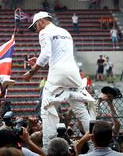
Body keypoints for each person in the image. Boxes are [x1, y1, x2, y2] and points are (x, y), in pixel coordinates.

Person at [23, 11, 98, 151]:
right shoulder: (65, 32)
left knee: (46, 109)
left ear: (41, 21)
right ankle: (97, 144)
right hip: (73, 73)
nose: (35, 30)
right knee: (80, 109)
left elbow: (46, 54)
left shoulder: (44, 32)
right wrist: (40, 60)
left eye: (35, 27)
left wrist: (31, 72)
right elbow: (57, 55)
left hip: (58, 73)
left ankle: (47, 149)